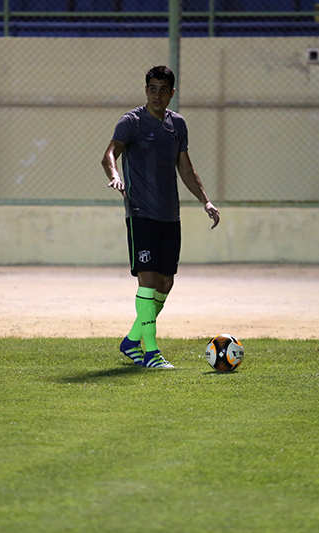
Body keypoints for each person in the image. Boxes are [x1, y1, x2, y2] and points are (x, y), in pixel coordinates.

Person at [101, 65, 220, 369]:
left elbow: (186, 168)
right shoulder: (132, 122)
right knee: (148, 278)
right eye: (152, 88)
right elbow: (110, 153)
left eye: (163, 90)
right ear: (146, 91)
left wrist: (205, 201)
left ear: (172, 93)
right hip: (140, 212)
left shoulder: (177, 125)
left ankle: (131, 341)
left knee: (165, 282)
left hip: (170, 214)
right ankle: (151, 352)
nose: (157, 95)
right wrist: (114, 176)